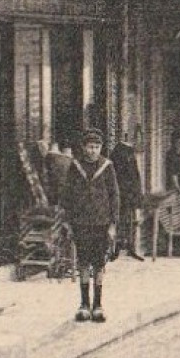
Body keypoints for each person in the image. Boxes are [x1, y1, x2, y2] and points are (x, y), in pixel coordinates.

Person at [59, 129, 118, 323]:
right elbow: (67, 195)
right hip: (81, 222)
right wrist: (67, 221)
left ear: (100, 148)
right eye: (90, 146)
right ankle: (84, 304)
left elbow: (114, 196)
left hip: (101, 223)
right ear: (83, 147)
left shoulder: (107, 167)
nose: (93, 150)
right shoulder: (75, 166)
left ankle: (98, 305)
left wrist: (113, 224)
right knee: (83, 262)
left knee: (99, 263)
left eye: (96, 147)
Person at [109, 132, 145, 260]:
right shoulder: (121, 153)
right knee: (121, 220)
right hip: (122, 194)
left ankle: (128, 246)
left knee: (128, 221)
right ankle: (118, 247)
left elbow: (135, 177)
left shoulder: (129, 153)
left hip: (127, 194)